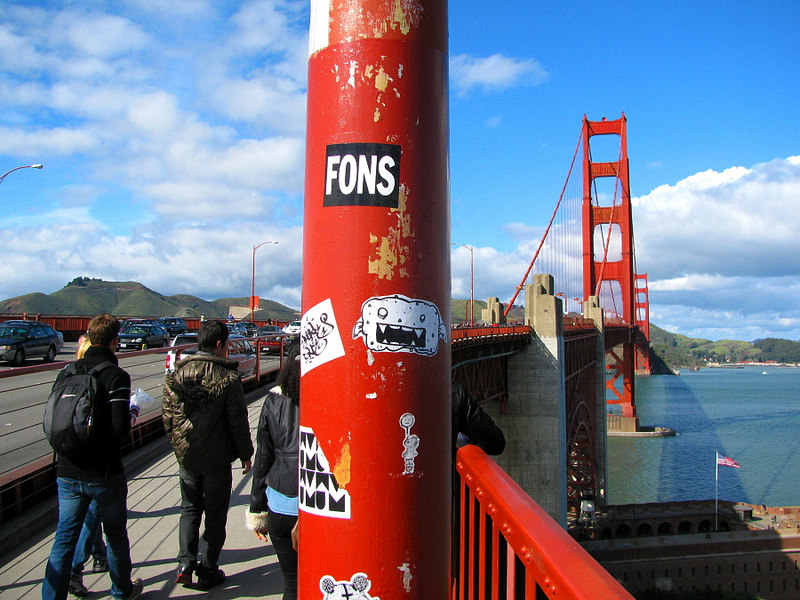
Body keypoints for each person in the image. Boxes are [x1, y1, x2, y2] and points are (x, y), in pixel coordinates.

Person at [42, 314, 143, 600]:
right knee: (115, 536)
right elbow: (120, 430)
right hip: (104, 472)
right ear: (115, 341)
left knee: (64, 539)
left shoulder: (67, 371)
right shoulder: (116, 376)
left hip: (67, 469)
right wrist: (132, 413)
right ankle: (121, 592)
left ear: (88, 336)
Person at [162, 319, 254, 590]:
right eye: (226, 345)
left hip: (187, 457)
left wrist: (178, 447)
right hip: (216, 459)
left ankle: (185, 564)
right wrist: (245, 454)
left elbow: (168, 419)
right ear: (219, 345)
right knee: (215, 515)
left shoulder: (176, 375)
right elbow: (237, 421)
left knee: (189, 509)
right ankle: (208, 568)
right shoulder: (228, 378)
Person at [246, 340, 300, 600]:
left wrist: (257, 508)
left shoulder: (274, 398)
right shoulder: (331, 392)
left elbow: (263, 456)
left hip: (280, 502)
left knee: (291, 585)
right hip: (322, 505)